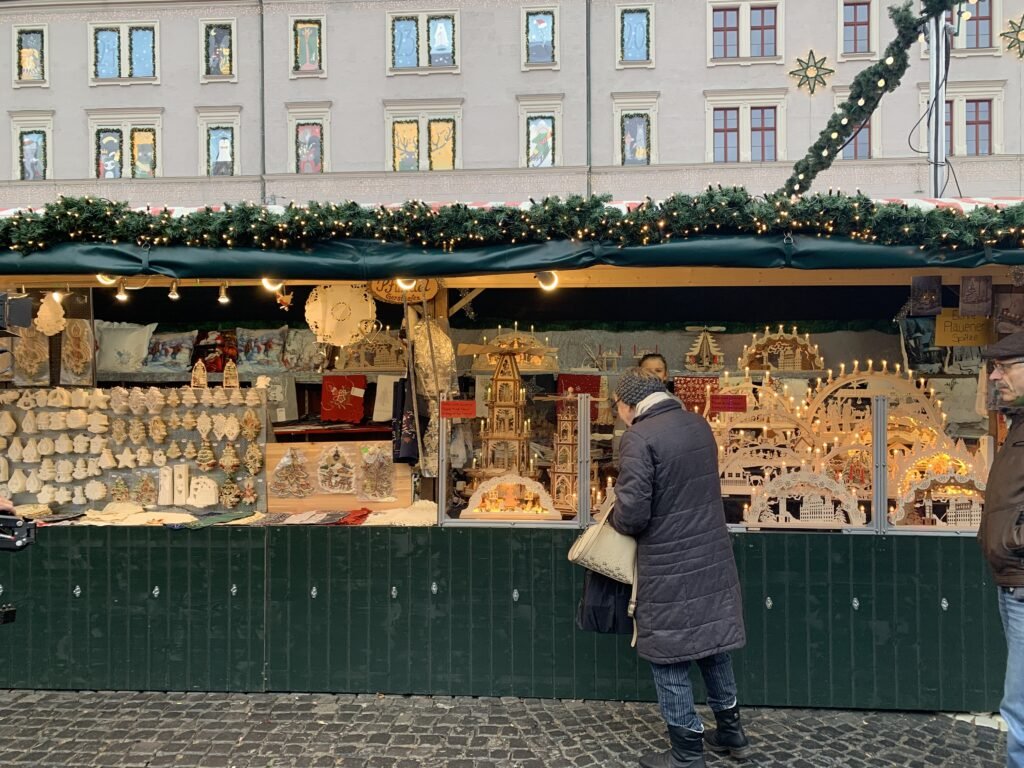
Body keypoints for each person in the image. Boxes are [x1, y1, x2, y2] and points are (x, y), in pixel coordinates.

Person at [609, 367, 748, 768]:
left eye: (617, 406)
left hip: (669, 562)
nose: (618, 413)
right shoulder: (698, 425)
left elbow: (633, 514)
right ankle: (731, 732)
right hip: (711, 556)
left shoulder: (639, 436)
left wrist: (615, 517)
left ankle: (687, 752)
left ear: (630, 403)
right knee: (714, 648)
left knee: (669, 656)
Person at [981, 331, 1024, 768]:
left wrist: (1012, 540)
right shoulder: (1019, 423)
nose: (995, 375)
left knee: (1021, 709)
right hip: (1012, 583)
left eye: (1005, 365)